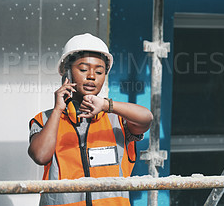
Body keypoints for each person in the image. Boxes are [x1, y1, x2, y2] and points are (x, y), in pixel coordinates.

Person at [28, 33, 153, 206]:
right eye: (83, 69)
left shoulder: (117, 119)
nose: (92, 76)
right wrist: (58, 109)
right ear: (67, 73)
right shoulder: (44, 119)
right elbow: (40, 155)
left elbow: (147, 119)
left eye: (99, 71)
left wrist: (107, 105)